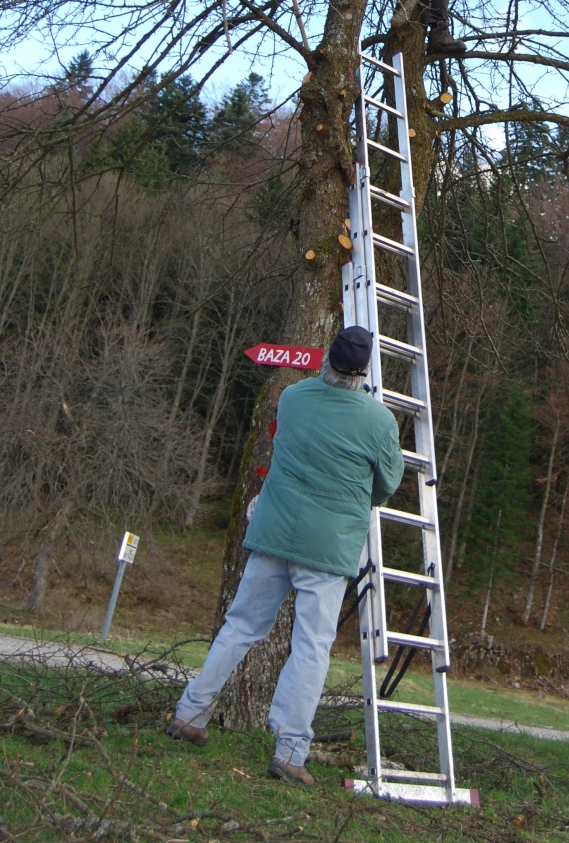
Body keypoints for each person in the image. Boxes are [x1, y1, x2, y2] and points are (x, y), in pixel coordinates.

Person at [166, 326, 403, 786]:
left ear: (326, 359)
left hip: (274, 531)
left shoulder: (292, 397)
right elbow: (387, 486)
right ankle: (290, 752)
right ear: (364, 372)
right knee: (311, 647)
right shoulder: (379, 420)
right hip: (328, 546)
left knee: (240, 626)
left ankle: (190, 714)